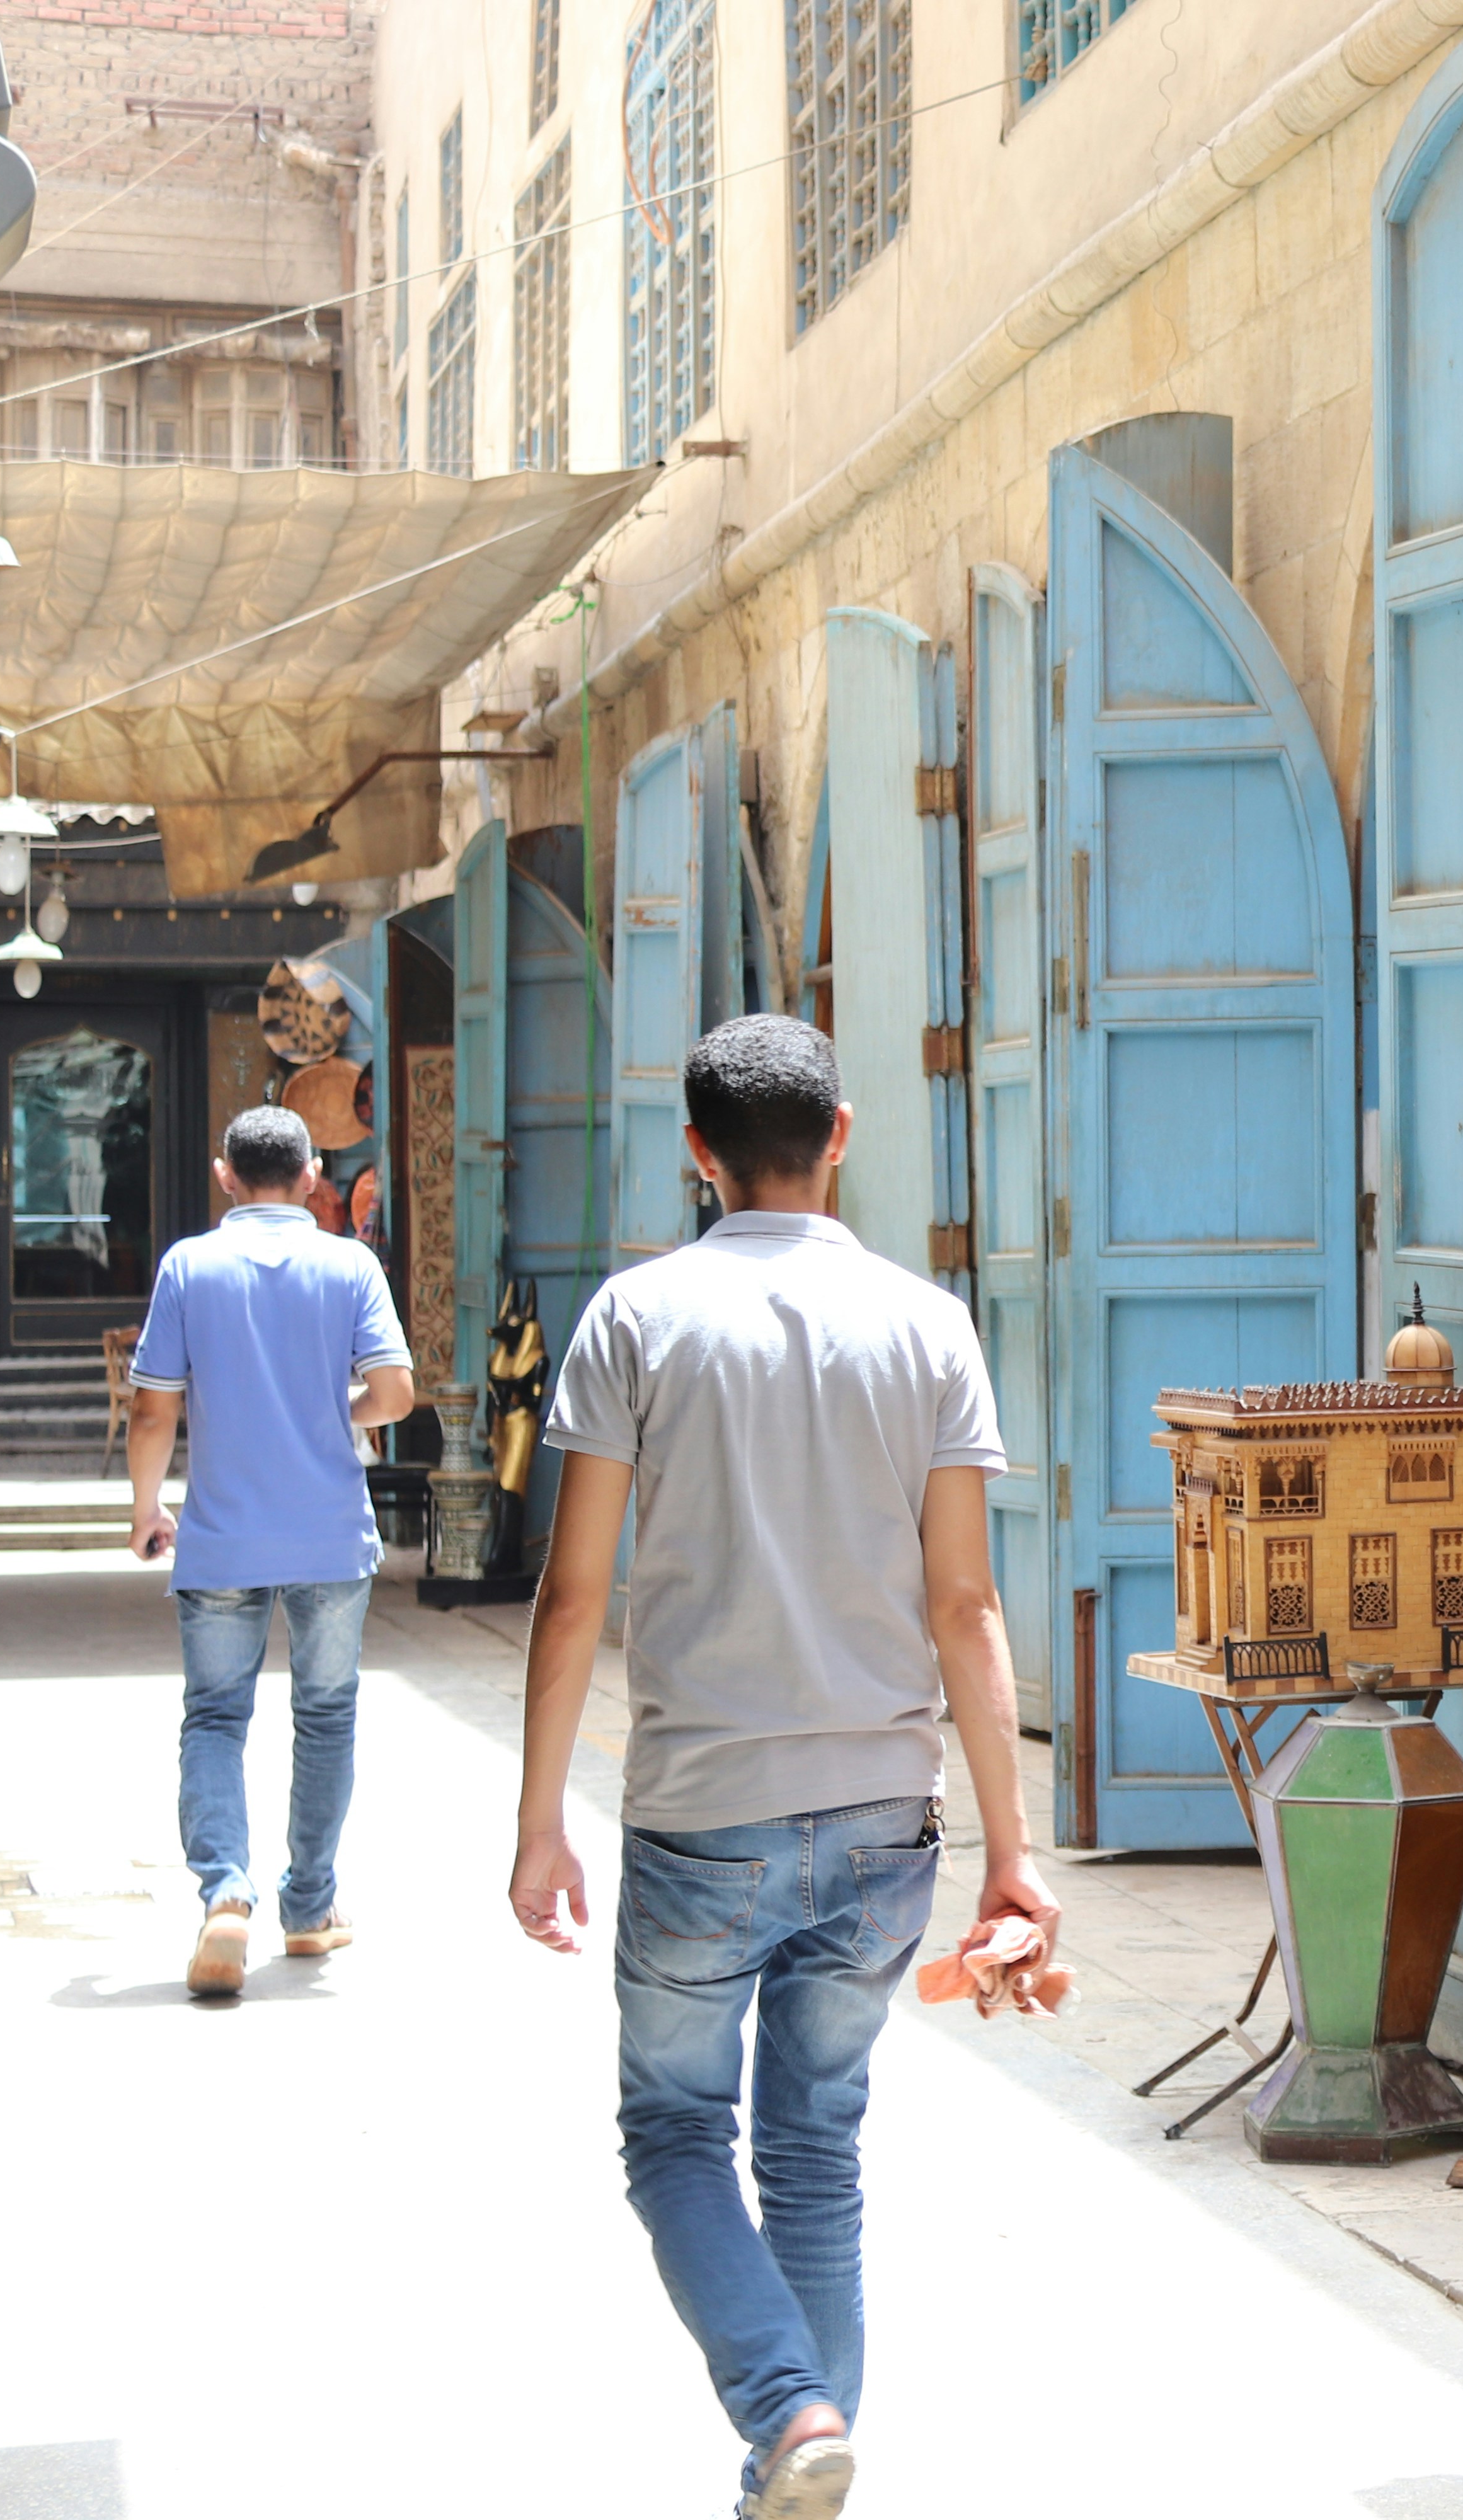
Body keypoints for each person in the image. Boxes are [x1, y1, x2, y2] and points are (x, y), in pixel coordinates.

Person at [507, 1014, 1052, 2520]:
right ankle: (799, 2457)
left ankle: (788, 2410)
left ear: (698, 1152)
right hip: (887, 1815)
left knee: (677, 2130)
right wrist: (1012, 1849)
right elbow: (965, 1605)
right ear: (844, 1134)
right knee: (816, 2148)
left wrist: (541, 1818)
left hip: (702, 1817)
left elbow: (572, 1593)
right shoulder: (929, 1324)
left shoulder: (635, 1315)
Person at [126, 1103, 416, 2000]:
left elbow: (152, 1409)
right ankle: (309, 1907)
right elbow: (397, 1394)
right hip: (330, 1534)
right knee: (325, 1718)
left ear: (225, 1177)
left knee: (216, 1718)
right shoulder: (350, 1264)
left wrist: (148, 1508)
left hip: (219, 1539)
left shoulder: (189, 1266)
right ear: (313, 1178)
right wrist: (338, 1415)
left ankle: (225, 1894)